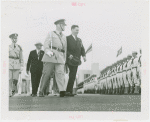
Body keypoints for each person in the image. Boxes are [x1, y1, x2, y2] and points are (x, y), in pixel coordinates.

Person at [38, 19, 67, 97]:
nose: (64, 26)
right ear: (58, 25)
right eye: (63, 25)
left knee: (60, 73)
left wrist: (65, 59)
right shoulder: (51, 34)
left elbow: (65, 49)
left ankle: (62, 91)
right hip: (50, 56)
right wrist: (47, 51)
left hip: (60, 57)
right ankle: (41, 90)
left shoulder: (64, 36)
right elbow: (46, 44)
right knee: (46, 74)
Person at [66, 25, 86, 97]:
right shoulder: (67, 38)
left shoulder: (79, 40)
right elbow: (65, 48)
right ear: (72, 30)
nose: (78, 31)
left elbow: (82, 48)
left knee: (73, 75)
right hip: (69, 60)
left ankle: (69, 91)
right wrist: (68, 55)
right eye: (76, 30)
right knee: (72, 74)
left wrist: (84, 56)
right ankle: (68, 91)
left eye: (78, 30)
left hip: (76, 60)